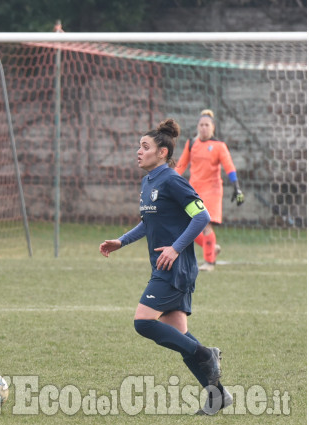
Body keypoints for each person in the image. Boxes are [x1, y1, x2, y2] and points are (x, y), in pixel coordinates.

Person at [99, 118, 232, 415]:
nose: (138, 151)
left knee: (143, 322)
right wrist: (121, 241)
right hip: (164, 265)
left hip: (176, 267)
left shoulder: (172, 180)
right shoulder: (148, 182)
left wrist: (175, 248)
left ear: (162, 152)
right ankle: (218, 395)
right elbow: (149, 222)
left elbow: (201, 216)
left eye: (145, 147)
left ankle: (206, 353)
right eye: (138, 146)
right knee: (181, 338)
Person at [174, 110, 244, 271]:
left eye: (207, 125)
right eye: (201, 125)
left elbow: (229, 167)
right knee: (185, 226)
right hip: (194, 190)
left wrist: (237, 188)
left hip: (212, 190)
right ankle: (211, 247)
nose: (204, 128)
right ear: (197, 126)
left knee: (205, 225)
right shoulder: (192, 143)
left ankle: (209, 262)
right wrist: (169, 180)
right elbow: (181, 165)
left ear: (213, 127)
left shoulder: (219, 146)